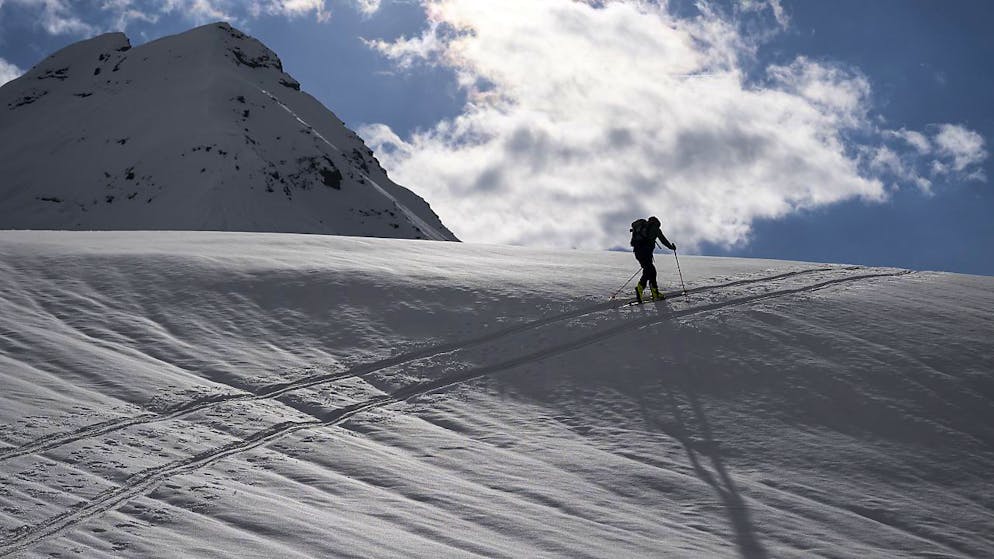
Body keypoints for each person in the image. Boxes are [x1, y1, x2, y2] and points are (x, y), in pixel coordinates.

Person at [630, 216, 676, 303]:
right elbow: (663, 240)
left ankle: (654, 293)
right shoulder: (655, 228)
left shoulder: (640, 228)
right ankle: (640, 288)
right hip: (646, 252)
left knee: (650, 270)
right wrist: (671, 247)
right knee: (650, 270)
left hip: (637, 252)